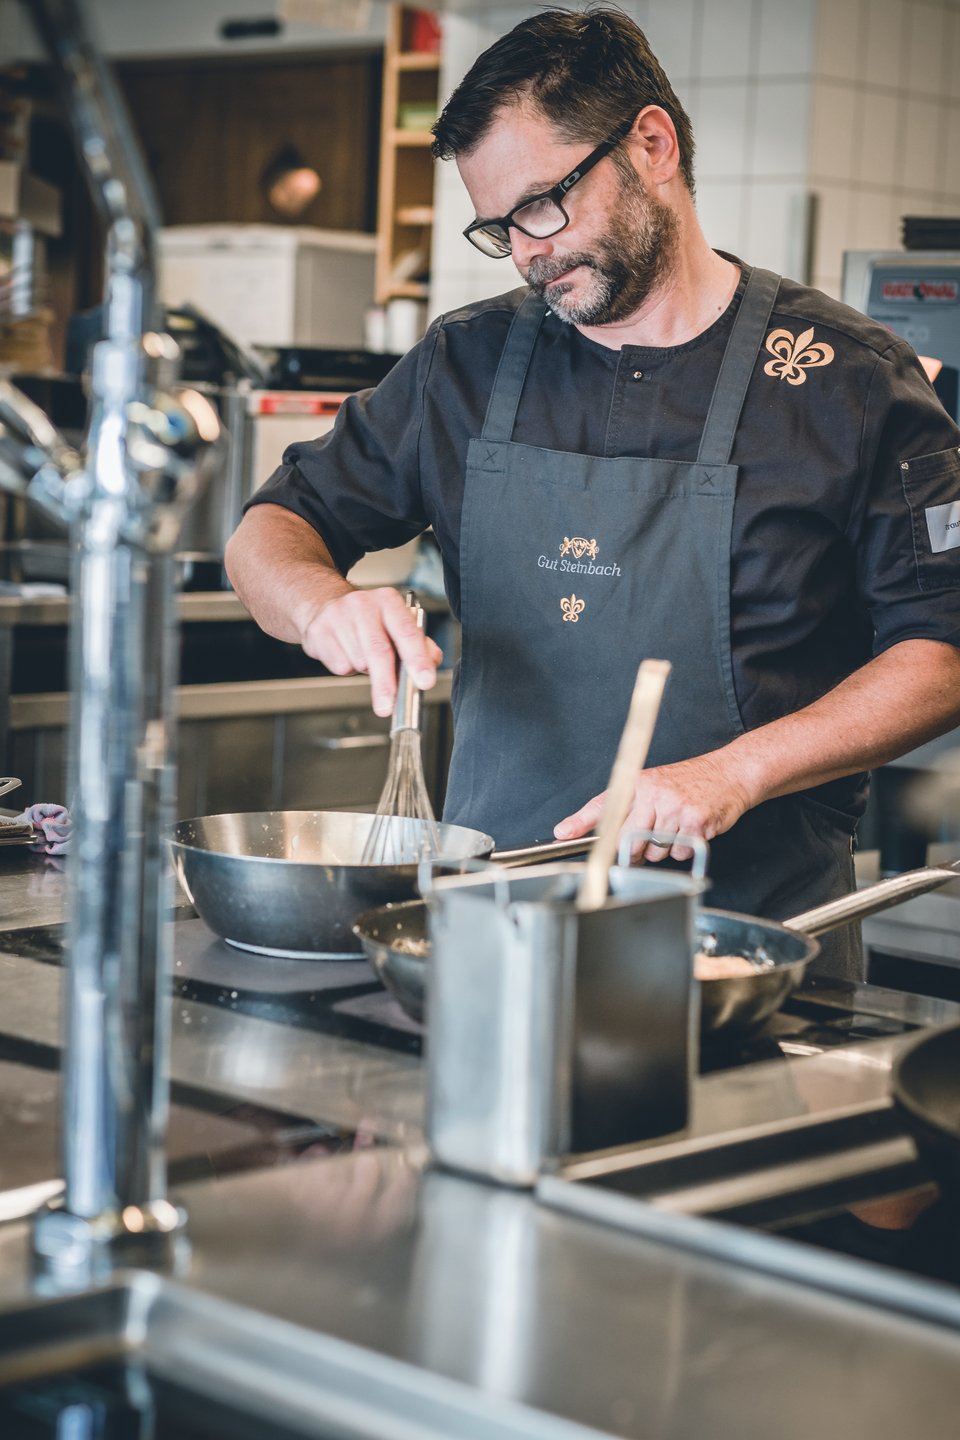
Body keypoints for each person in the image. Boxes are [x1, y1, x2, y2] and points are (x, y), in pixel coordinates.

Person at [225, 8, 960, 978]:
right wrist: (323, 607)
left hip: (755, 958)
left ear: (651, 145)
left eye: (543, 205)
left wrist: (732, 775)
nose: (528, 252)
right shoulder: (465, 365)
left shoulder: (844, 381)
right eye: (499, 228)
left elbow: (941, 653)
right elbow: (269, 531)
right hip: (495, 942)